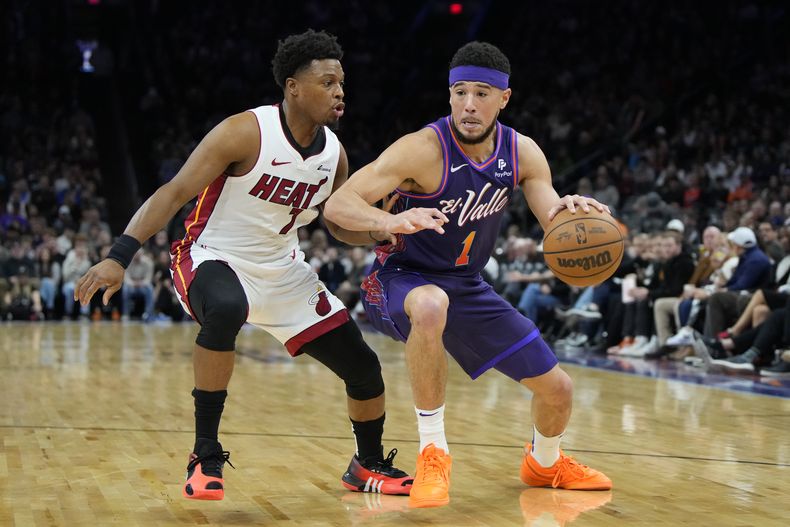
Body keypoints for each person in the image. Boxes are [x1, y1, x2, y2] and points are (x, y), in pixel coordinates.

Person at [74, 30, 411, 501]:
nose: (340, 91)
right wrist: (118, 256)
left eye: (342, 83)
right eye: (328, 82)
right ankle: (205, 454)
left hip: (283, 268)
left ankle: (366, 464)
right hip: (211, 254)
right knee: (228, 307)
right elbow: (173, 193)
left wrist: (380, 231)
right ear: (293, 87)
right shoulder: (245, 131)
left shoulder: (334, 153)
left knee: (364, 366)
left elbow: (336, 226)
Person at [324, 41, 612, 508]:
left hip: (468, 286)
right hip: (400, 277)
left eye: (482, 93)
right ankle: (433, 452)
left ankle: (545, 461)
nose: (469, 104)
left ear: (504, 98)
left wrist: (575, 216)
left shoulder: (523, 152)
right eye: (460, 92)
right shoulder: (421, 149)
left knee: (558, 390)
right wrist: (389, 222)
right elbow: (337, 205)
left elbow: (551, 216)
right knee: (431, 302)